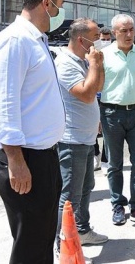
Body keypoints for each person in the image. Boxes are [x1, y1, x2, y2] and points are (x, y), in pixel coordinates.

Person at [0, 0, 66, 263]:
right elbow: (3, 105)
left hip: (43, 157)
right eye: (59, 5)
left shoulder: (36, 40)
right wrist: (16, 161)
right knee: (30, 244)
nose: (60, 12)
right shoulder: (15, 41)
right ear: (46, 4)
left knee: (43, 236)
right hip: (25, 158)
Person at [54, 18, 108, 253]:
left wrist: (99, 64)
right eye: (96, 38)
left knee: (87, 188)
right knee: (69, 197)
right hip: (71, 139)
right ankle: (61, 243)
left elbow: (99, 87)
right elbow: (86, 95)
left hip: (86, 137)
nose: (100, 42)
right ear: (81, 40)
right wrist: (94, 64)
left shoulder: (84, 60)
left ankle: (82, 231)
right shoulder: (66, 63)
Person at [100, 14, 135, 226]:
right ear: (114, 33)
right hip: (111, 114)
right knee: (114, 163)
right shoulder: (103, 55)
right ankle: (117, 206)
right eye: (124, 30)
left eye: (131, 30)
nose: (129, 34)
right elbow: (96, 87)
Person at [93, 27, 112, 174]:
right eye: (102, 39)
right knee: (92, 128)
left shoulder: (113, 54)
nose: (105, 42)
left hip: (108, 97)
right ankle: (95, 154)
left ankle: (106, 159)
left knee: (107, 130)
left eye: (107, 39)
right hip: (93, 97)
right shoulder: (92, 54)